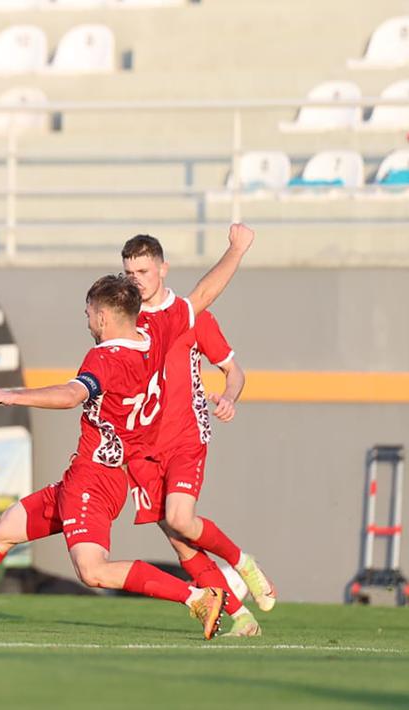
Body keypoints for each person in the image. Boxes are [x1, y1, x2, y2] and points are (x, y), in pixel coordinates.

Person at [0, 224, 256, 640]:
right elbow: (202, 295)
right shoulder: (155, 336)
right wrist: (236, 250)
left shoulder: (106, 357)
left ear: (103, 317)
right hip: (97, 476)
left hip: (94, 478)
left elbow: (72, 395)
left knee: (92, 570)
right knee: (4, 529)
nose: (86, 319)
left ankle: (196, 598)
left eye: (88, 312)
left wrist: (11, 395)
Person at [122, 234, 276, 637]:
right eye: (129, 273)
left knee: (180, 518)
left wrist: (228, 397)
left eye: (143, 271)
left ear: (162, 268)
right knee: (180, 542)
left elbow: (234, 371)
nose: (136, 279)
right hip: (140, 447)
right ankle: (241, 616)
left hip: (185, 436)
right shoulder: (128, 320)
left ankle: (241, 559)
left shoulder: (191, 314)